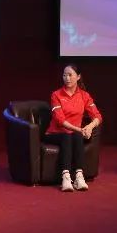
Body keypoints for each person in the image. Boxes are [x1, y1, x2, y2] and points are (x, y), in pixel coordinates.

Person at [45, 64, 103, 192]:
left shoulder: (84, 95)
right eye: (64, 75)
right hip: (55, 133)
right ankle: (66, 177)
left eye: (70, 75)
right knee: (69, 135)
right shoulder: (56, 95)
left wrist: (89, 127)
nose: (67, 78)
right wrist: (80, 130)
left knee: (74, 135)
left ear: (78, 77)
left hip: (74, 134)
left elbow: (97, 116)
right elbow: (60, 120)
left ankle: (79, 176)